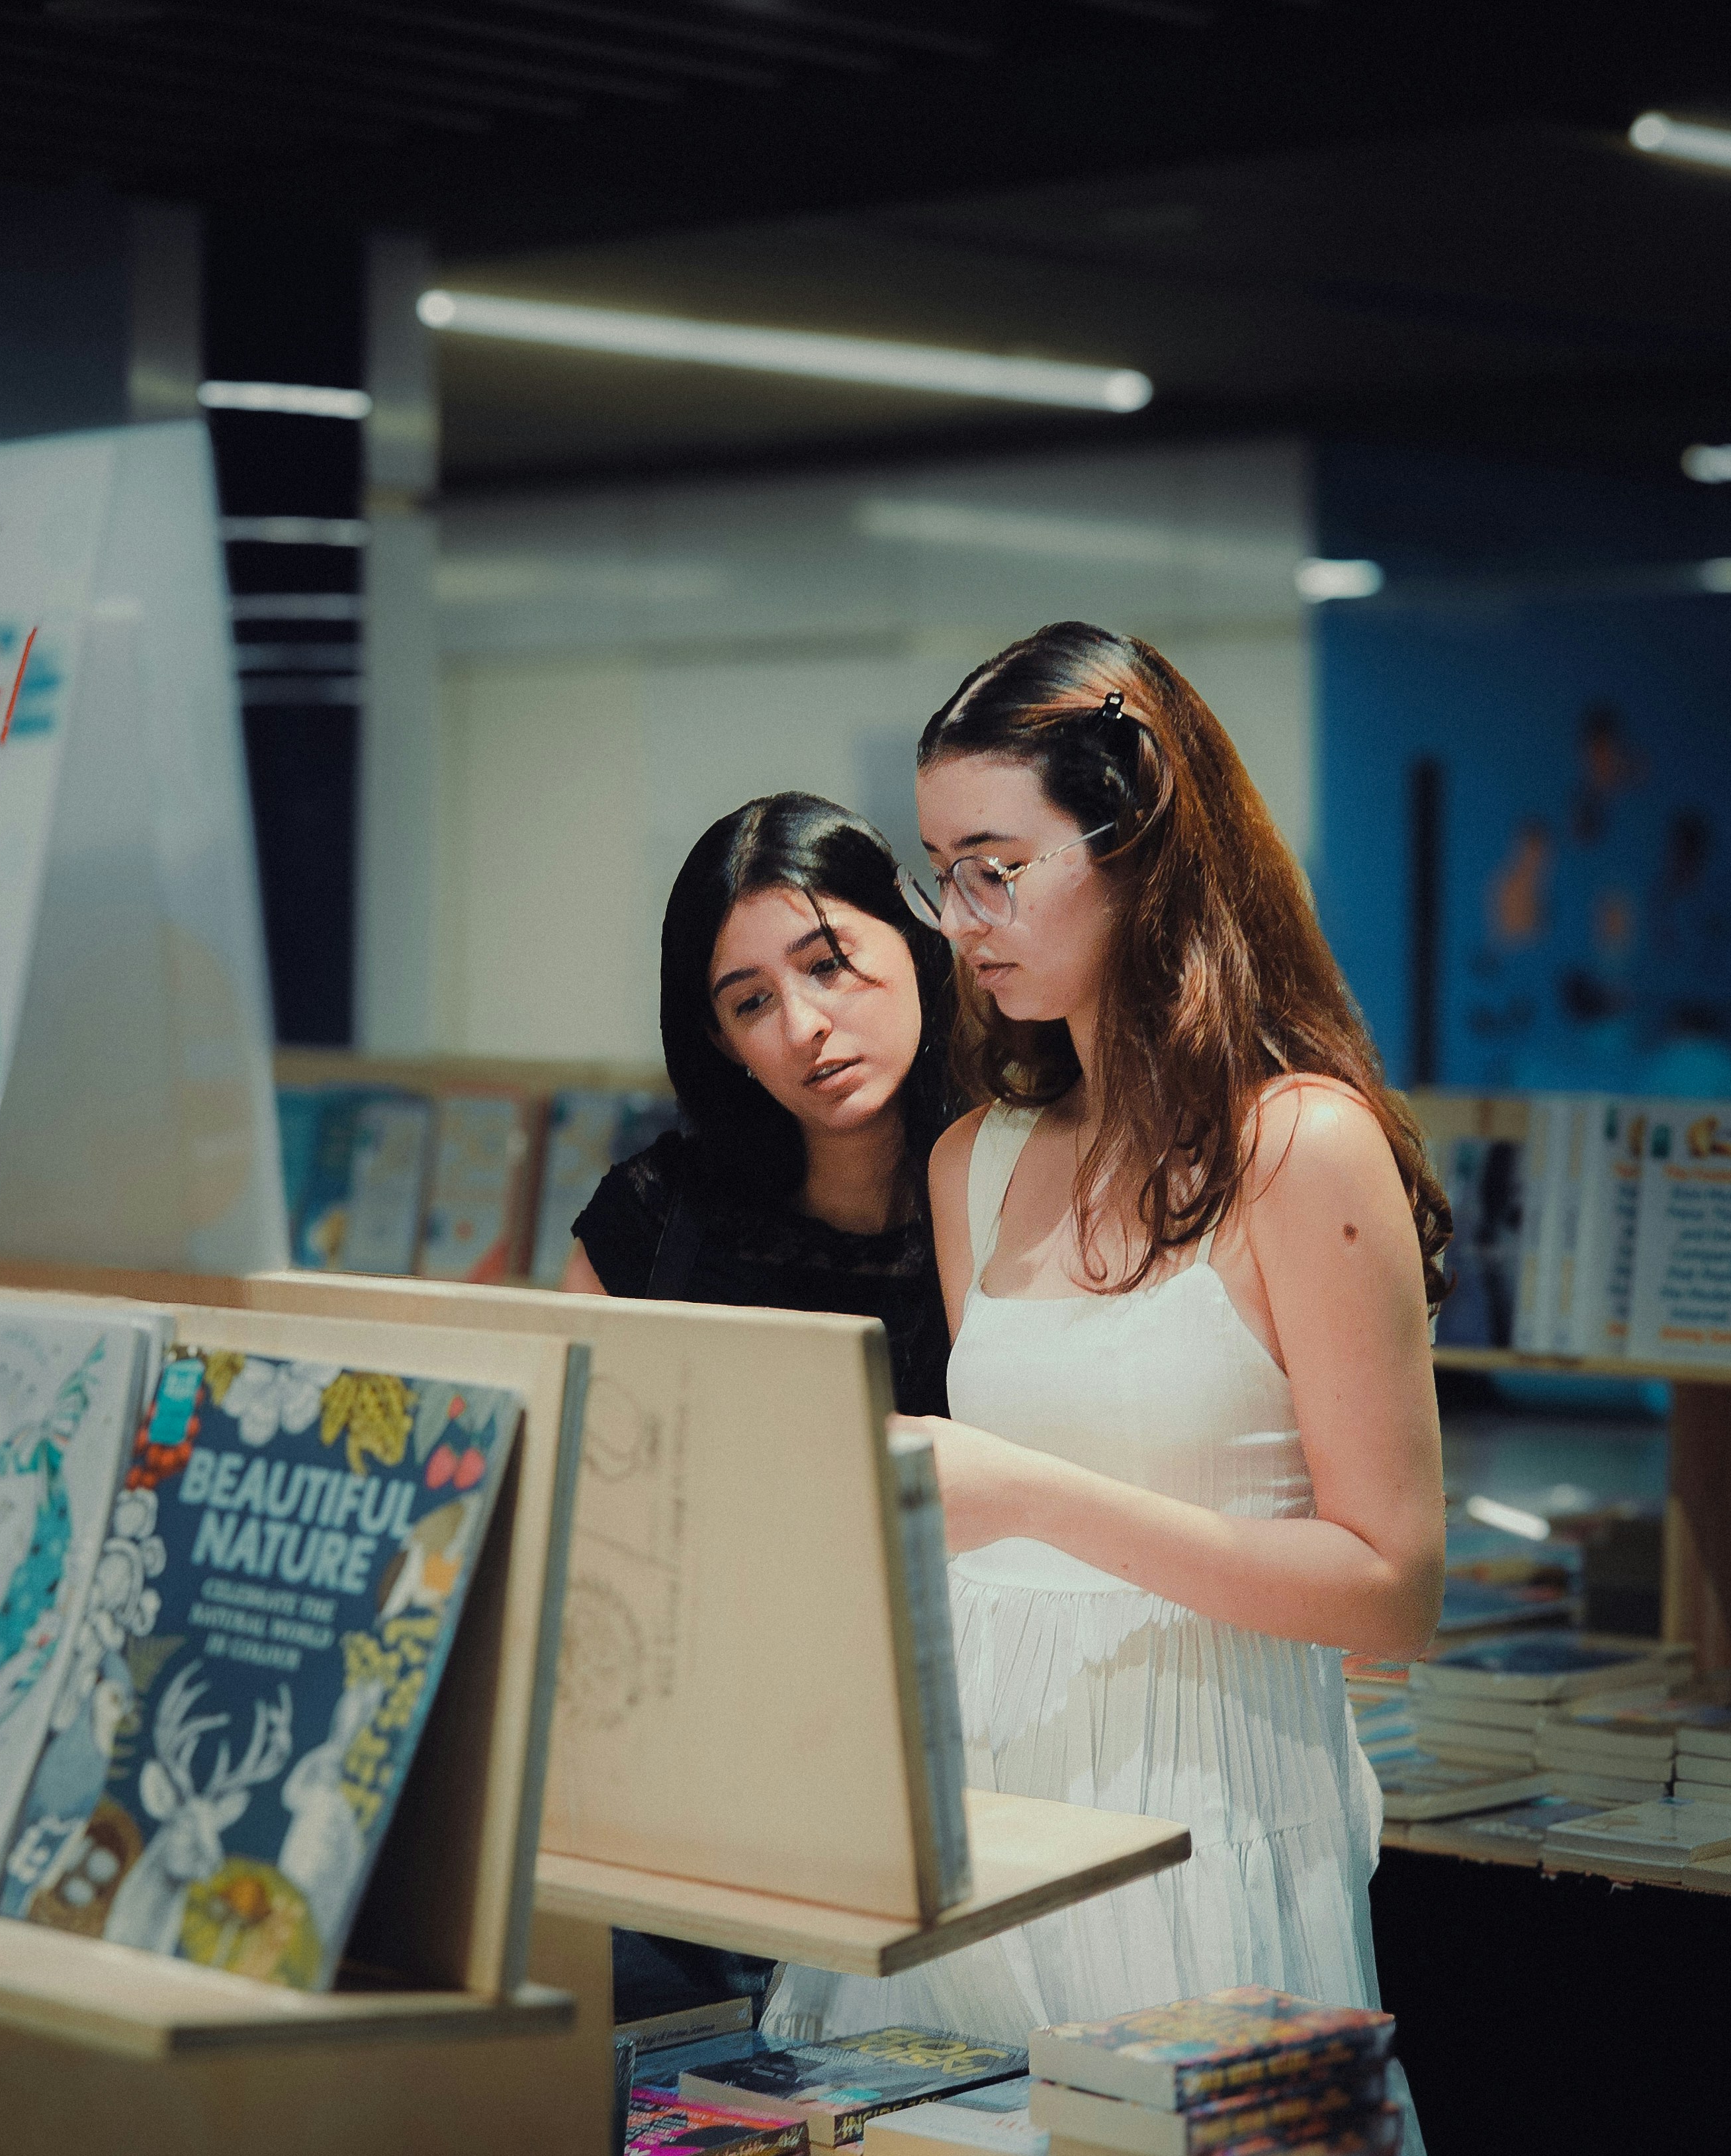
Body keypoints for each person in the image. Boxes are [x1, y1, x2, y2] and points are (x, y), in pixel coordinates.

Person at [766, 623, 1448, 2066]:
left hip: (1194, 1802)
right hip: (978, 1803)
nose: (959, 917)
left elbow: (1391, 1588)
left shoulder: (1301, 1145)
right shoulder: (975, 1158)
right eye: (943, 869)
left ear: (1135, 842)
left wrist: (1026, 1495)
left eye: (997, 869)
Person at [562, 790, 959, 1417]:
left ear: (913, 937)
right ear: (724, 1042)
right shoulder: (652, 1220)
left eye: (827, 964)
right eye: (752, 1003)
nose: (803, 1027)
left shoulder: (1029, 1184)